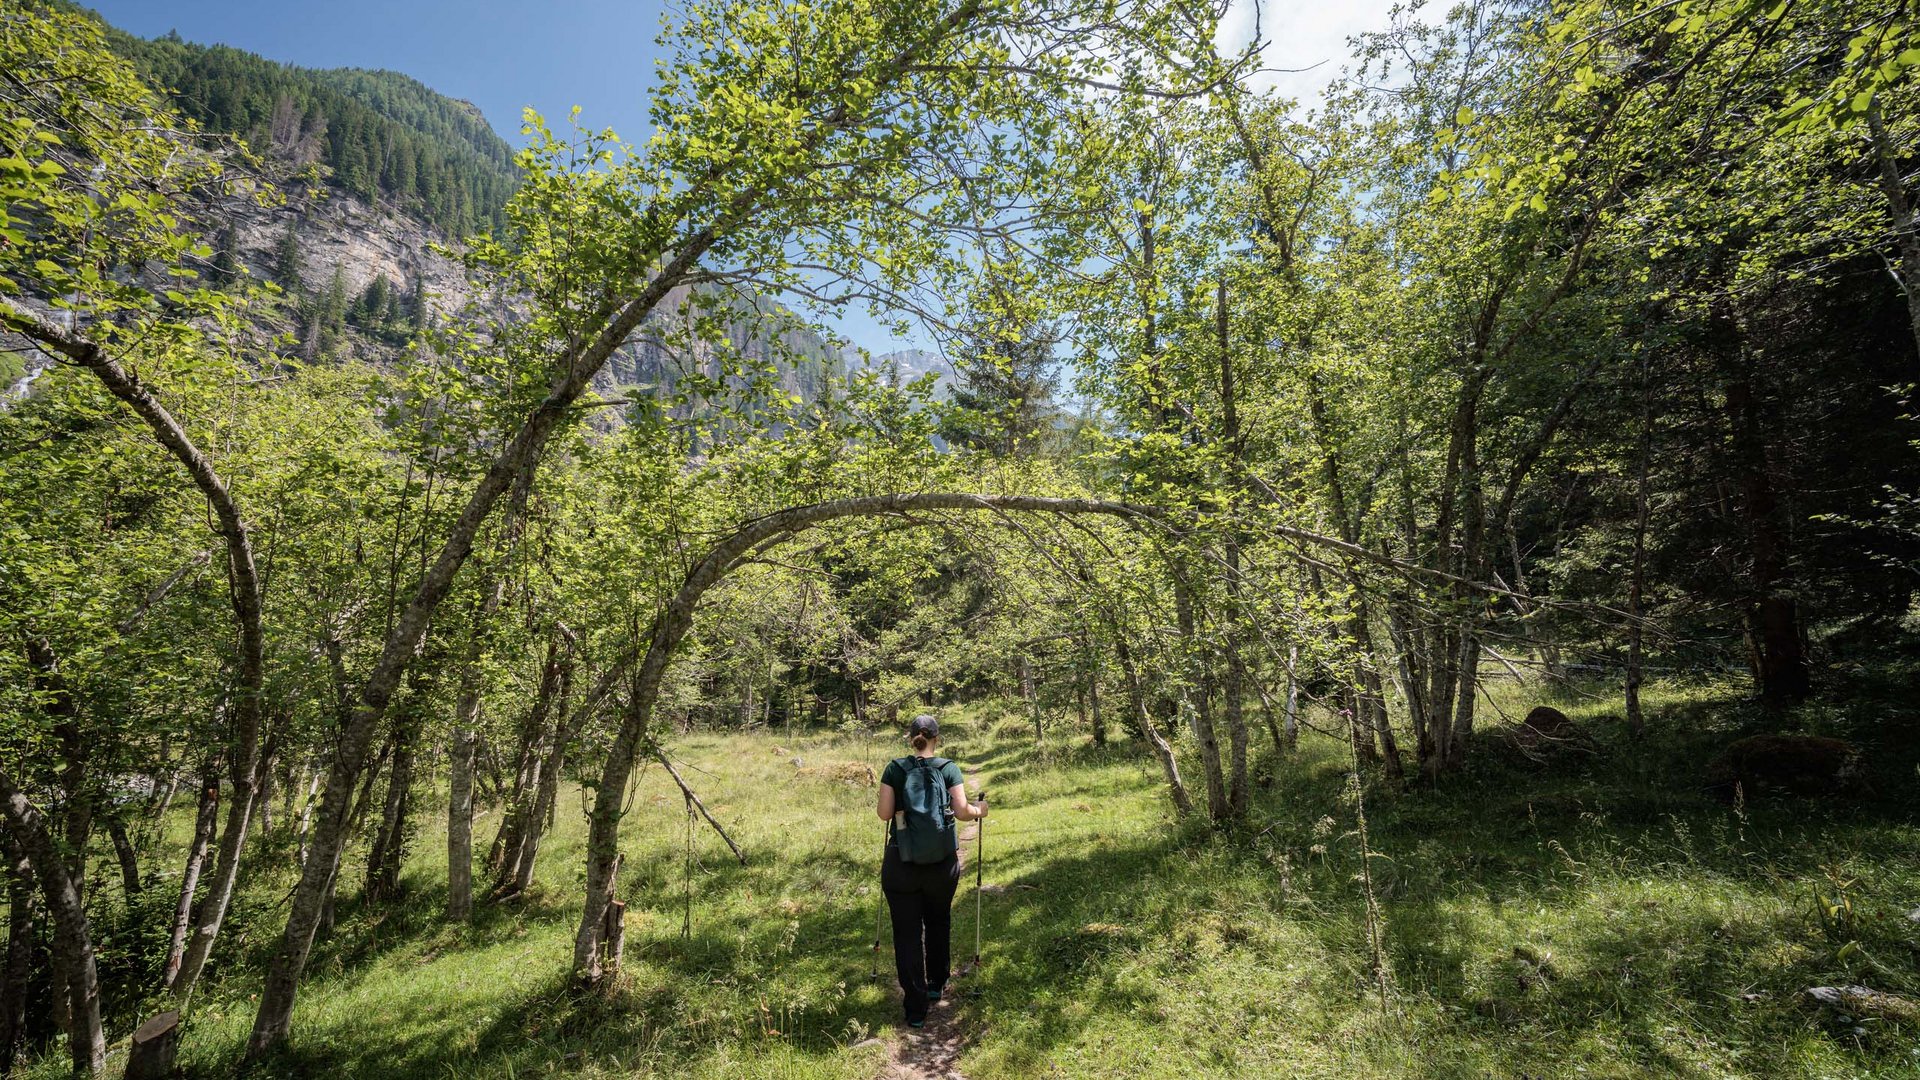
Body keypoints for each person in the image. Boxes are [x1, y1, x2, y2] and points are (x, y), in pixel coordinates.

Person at [875, 713, 986, 1028]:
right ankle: (937, 984)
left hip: (901, 863)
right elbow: (963, 811)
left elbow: (885, 814)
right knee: (938, 921)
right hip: (941, 863)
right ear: (937, 737)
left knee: (907, 933)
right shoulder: (948, 768)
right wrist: (981, 810)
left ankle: (915, 1007)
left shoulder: (894, 769)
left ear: (910, 738)